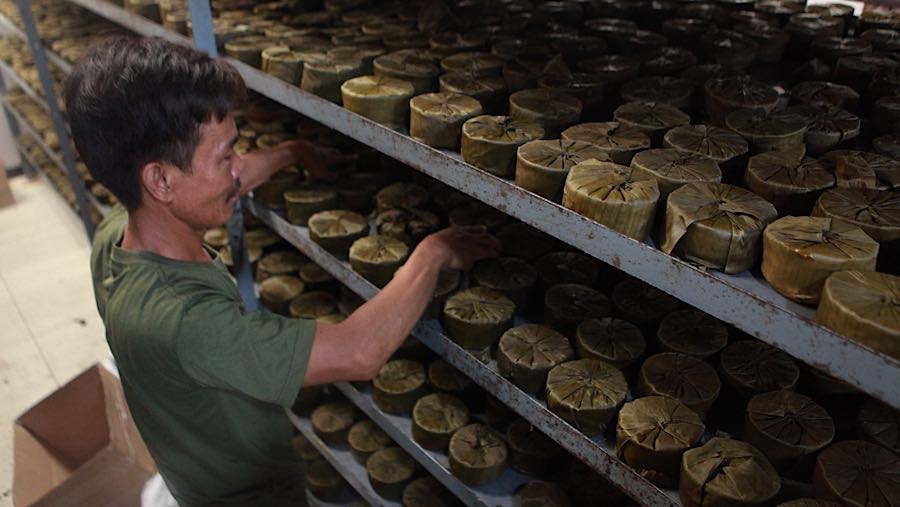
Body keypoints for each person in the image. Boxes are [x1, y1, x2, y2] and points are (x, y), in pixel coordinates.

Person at [65, 34, 500, 506]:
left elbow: (219, 183)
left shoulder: (115, 238)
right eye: (225, 155)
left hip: (191, 471)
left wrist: (292, 152)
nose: (237, 168)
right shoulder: (186, 322)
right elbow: (358, 351)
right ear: (161, 180)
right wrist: (432, 254)